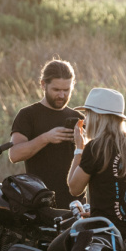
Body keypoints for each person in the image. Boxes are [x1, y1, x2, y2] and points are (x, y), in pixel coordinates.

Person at [65, 87, 126, 237]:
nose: (85, 120)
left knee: (53, 250)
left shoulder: (97, 147)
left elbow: (74, 188)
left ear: (97, 116)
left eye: (87, 114)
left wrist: (79, 148)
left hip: (105, 232)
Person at [8, 59, 85, 208]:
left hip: (75, 204)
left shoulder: (79, 118)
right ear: (43, 85)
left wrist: (84, 143)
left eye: (66, 90)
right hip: (40, 202)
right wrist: (46, 138)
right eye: (56, 90)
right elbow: (14, 154)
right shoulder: (27, 115)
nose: (62, 95)